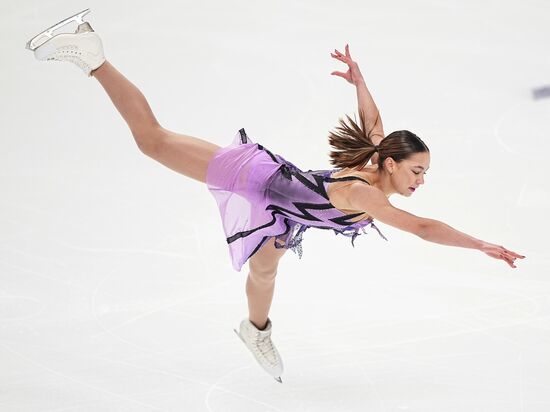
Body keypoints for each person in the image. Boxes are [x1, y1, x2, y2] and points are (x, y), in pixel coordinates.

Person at [26, 9, 526, 383]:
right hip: (257, 179)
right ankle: (93, 57)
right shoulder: (365, 192)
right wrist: (480, 244)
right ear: (391, 165)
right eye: (417, 171)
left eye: (426, 174)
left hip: (285, 216)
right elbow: (422, 227)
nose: (421, 181)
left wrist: (361, 80)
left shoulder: (375, 161)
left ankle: (255, 331)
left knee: (264, 269)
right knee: (152, 139)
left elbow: (374, 123)